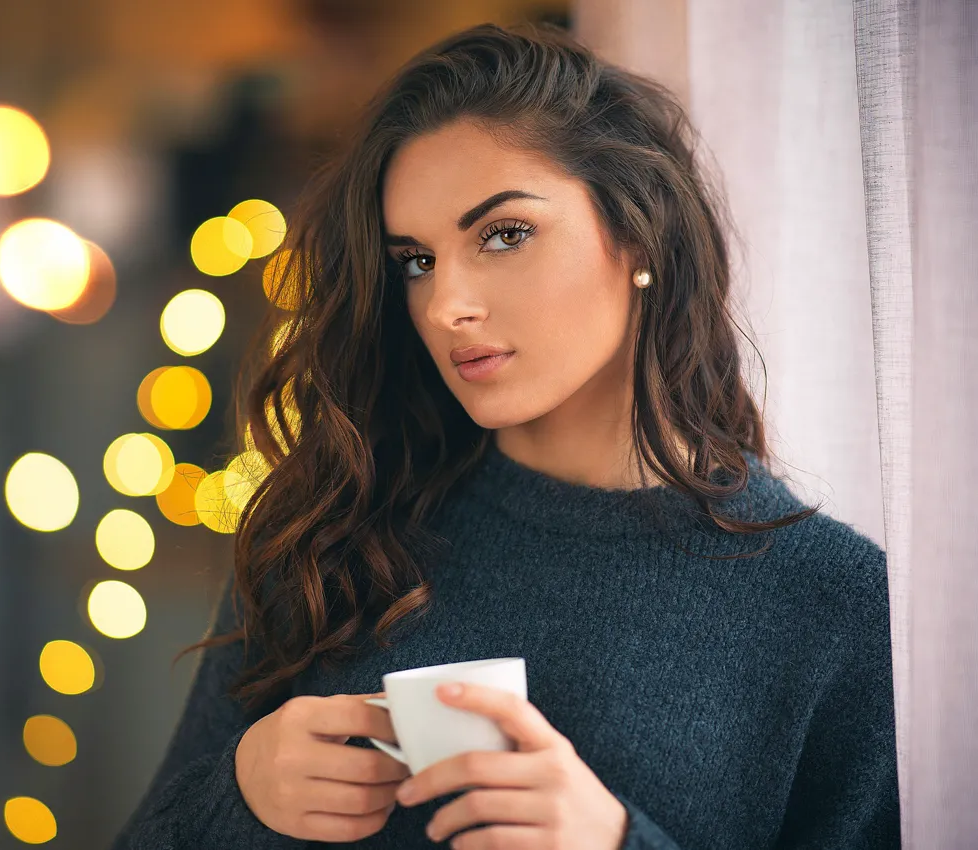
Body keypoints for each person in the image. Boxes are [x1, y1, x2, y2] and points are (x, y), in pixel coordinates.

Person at [110, 21, 900, 850]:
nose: (447, 303)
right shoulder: (329, 535)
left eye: (503, 234)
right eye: (415, 260)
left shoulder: (831, 613)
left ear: (639, 233)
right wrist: (238, 796)